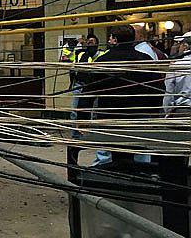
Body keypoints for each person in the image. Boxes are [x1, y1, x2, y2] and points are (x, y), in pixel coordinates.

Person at [82, 25, 164, 166]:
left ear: (114, 39)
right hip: (138, 117)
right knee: (139, 154)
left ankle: (109, 176)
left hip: (109, 117)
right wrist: (153, 112)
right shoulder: (144, 60)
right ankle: (140, 176)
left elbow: (89, 91)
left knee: (109, 156)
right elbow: (158, 89)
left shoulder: (103, 61)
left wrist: (82, 117)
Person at [70, 34, 105, 137]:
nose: (90, 44)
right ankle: (75, 136)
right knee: (75, 112)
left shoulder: (102, 54)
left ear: (97, 44)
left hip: (94, 87)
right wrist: (76, 42)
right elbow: (72, 64)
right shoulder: (80, 54)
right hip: (79, 86)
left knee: (93, 114)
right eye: (88, 42)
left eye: (92, 42)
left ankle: (94, 137)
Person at [164, 32, 191, 117]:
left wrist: (167, 112)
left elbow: (169, 92)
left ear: (185, 46)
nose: (179, 47)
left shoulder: (176, 66)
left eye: (180, 44)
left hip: (182, 111)